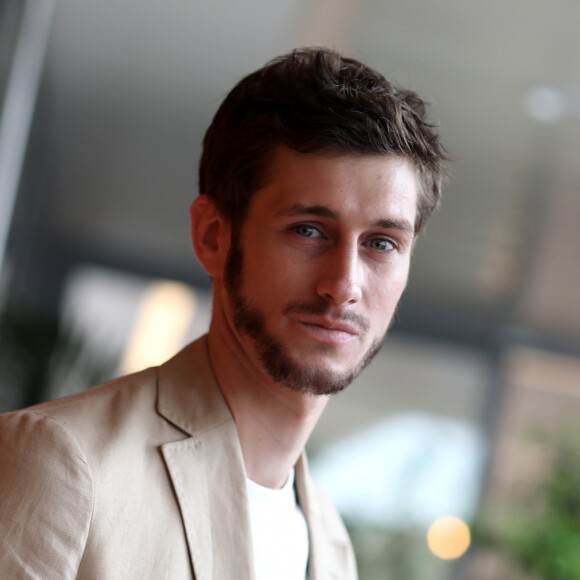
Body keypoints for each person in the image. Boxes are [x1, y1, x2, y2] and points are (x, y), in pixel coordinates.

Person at [0, 47, 447, 579]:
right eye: (308, 230)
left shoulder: (332, 545)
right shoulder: (60, 461)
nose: (343, 286)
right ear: (214, 236)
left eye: (382, 243)